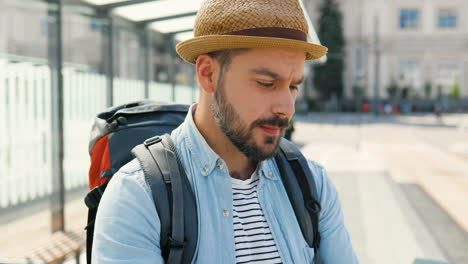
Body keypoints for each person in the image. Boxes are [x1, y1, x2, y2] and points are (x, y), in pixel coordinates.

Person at [92, 0, 359, 263]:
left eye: (293, 86)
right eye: (267, 83)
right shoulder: (137, 197)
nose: (287, 108)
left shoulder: (312, 183)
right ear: (208, 74)